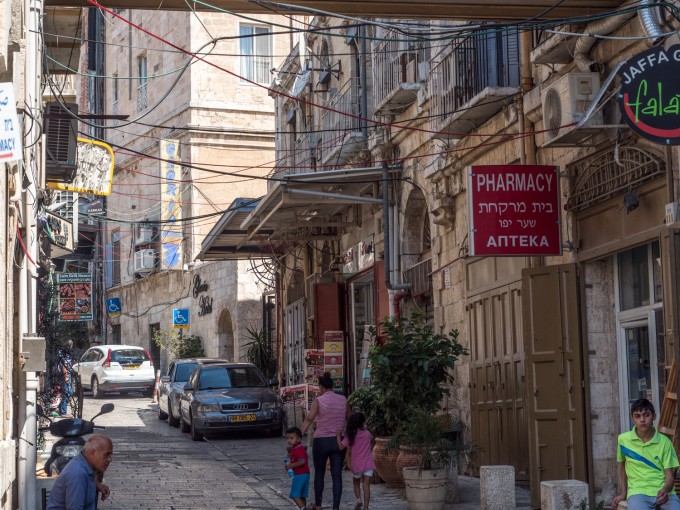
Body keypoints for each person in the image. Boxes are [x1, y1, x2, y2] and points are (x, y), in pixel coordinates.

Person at [612, 398, 680, 510]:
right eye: (637, 416)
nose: (642, 420)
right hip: (638, 492)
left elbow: (669, 475)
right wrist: (623, 493)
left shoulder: (665, 442)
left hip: (664, 492)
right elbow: (622, 467)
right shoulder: (623, 440)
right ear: (632, 418)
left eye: (646, 415)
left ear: (654, 416)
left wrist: (666, 489)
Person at [301, 372, 351, 510]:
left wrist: (299, 435)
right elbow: (349, 418)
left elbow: (309, 419)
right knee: (337, 476)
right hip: (338, 442)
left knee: (319, 474)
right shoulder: (343, 400)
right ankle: (336, 507)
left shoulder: (319, 400)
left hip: (321, 441)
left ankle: (318, 505)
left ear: (321, 387)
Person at [46, 434, 113, 510]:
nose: (110, 459)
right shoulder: (77, 474)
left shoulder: (83, 463)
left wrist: (96, 484)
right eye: (106, 455)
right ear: (93, 453)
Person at [336, 411, 376, 510]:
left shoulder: (350, 435)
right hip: (368, 463)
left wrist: (338, 435)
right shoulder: (367, 433)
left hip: (357, 465)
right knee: (366, 486)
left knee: (356, 483)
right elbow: (371, 441)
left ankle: (358, 499)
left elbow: (341, 447)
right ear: (362, 422)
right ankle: (366, 508)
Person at [285, 427, 311, 510]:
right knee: (302, 495)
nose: (289, 440)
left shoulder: (297, 449)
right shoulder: (300, 447)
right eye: (288, 438)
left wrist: (290, 466)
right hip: (305, 474)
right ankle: (304, 507)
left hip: (300, 475)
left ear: (299, 439)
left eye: (291, 438)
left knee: (295, 495)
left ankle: (303, 508)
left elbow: (302, 461)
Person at [57, 340, 74, 417]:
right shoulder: (64, 353)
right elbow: (64, 365)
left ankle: (59, 408)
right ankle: (63, 412)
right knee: (67, 392)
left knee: (69, 392)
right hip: (65, 373)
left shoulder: (65, 352)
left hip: (67, 373)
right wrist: (66, 376)